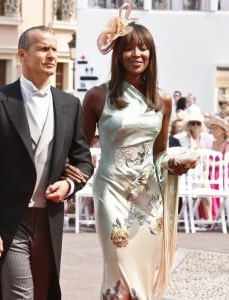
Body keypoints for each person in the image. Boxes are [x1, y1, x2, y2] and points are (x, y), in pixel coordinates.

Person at [68, 3, 198, 299]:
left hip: (149, 199)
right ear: (117, 53)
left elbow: (159, 152)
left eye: (143, 49)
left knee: (140, 272)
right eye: (129, 48)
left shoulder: (162, 100)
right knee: (119, 270)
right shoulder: (98, 96)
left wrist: (176, 163)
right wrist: (67, 177)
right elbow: (80, 148)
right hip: (111, 193)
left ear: (151, 55)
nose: (136, 55)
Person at [0, 25, 93, 300]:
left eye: (54, 50)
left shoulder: (70, 105)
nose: (51, 56)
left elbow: (84, 162)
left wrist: (69, 185)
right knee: (19, 295)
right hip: (9, 223)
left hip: (49, 222)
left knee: (42, 295)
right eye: (43, 49)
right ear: (22, 55)